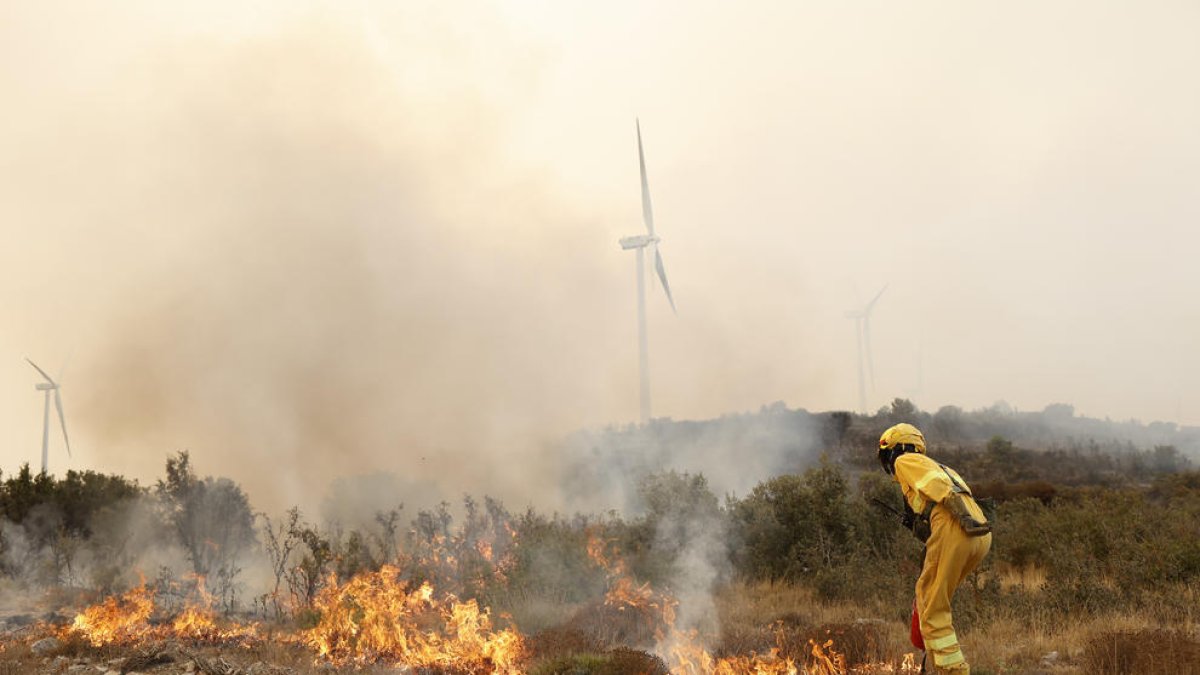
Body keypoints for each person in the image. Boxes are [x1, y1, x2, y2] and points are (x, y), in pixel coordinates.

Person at [878, 423, 992, 674]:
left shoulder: (906, 461)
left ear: (895, 449)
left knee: (932, 607)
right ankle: (936, 664)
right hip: (979, 533)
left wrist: (946, 512)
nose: (889, 464)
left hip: (956, 525)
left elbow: (938, 488)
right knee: (931, 597)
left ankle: (953, 671)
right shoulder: (943, 466)